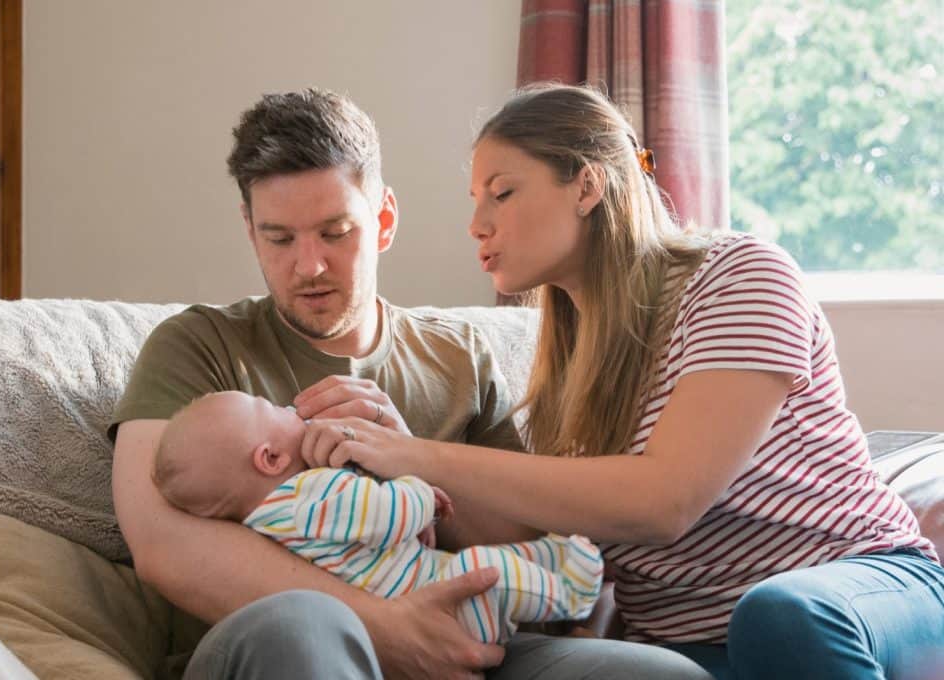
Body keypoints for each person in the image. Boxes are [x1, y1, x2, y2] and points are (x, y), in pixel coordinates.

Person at [299, 82, 944, 680]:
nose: (477, 224)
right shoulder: (563, 366)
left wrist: (421, 454)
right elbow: (543, 544)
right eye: (475, 201)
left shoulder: (740, 277)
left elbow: (666, 501)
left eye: (501, 191)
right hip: (694, 649)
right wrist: (405, 464)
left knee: (780, 616)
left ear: (587, 186)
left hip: (859, 587)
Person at [110, 87, 712, 679]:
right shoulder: (198, 347)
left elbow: (525, 541)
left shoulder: (456, 356)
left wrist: (416, 460)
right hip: (280, 642)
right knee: (302, 623)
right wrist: (384, 628)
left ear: (384, 220)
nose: (310, 265)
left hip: (471, 639)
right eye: (279, 238)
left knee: (657, 673)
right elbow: (162, 545)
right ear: (250, 231)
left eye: (335, 232)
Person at [151, 390, 604, 645]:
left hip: (424, 581)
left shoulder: (266, 523)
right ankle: (573, 592)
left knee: (502, 558)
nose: (290, 409)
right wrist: (416, 486)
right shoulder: (309, 494)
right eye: (275, 411)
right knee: (486, 571)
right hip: (443, 612)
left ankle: (556, 557)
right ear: (269, 457)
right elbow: (386, 515)